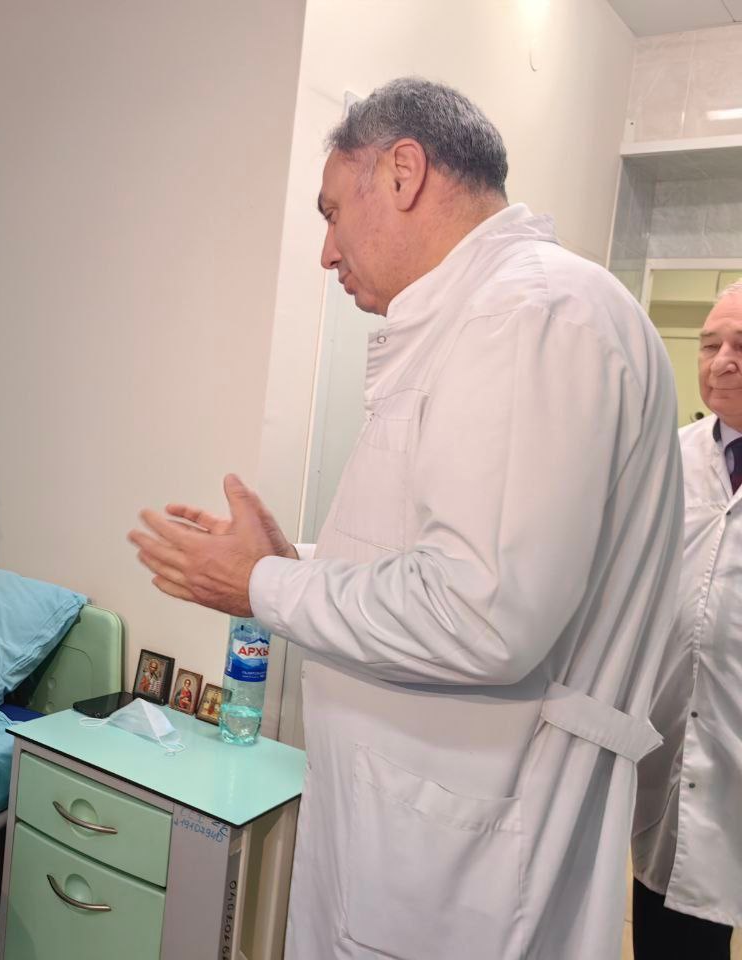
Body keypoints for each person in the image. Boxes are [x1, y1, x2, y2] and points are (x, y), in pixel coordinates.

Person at [129, 77, 683, 959]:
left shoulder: (527, 314)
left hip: (465, 855)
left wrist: (264, 585)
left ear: (402, 172)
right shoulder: (488, 316)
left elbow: (480, 611)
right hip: (421, 826)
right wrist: (294, 563)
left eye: (330, 213)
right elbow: (443, 554)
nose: (326, 252)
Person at [632, 281, 742, 958]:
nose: (721, 360)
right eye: (709, 345)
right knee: (674, 934)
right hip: (673, 747)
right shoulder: (668, 459)